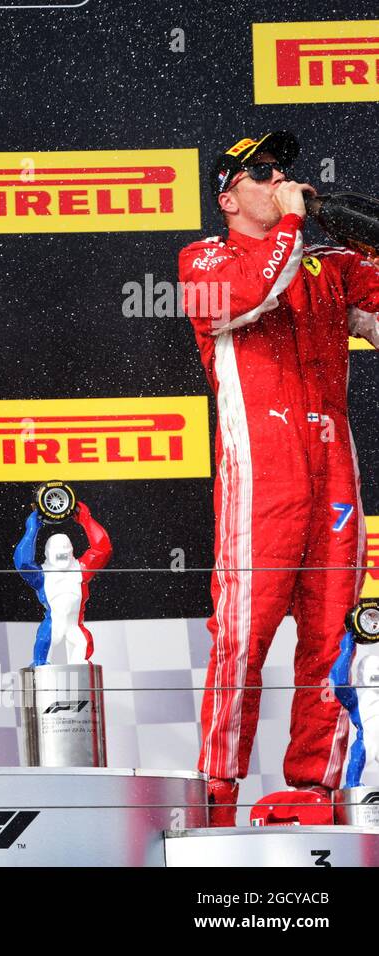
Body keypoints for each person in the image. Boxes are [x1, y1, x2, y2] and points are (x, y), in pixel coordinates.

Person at [178, 131, 379, 825]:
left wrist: (369, 240)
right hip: (260, 480)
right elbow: (244, 295)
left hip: (335, 476)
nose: (280, 176)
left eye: (282, 169)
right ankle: (216, 799)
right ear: (228, 196)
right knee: (244, 640)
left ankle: (315, 794)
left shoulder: (332, 266)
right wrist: (294, 221)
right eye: (261, 171)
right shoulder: (204, 258)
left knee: (332, 641)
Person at [14, 502, 111, 667]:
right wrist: (32, 529)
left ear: (71, 551)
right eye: (58, 554)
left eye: (64, 553)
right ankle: (41, 665)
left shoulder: (80, 569)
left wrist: (86, 519)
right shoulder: (42, 575)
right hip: (53, 625)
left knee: (81, 649)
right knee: (43, 651)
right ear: (48, 553)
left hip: (75, 625)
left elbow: (103, 549)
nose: (61, 557)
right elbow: (23, 563)